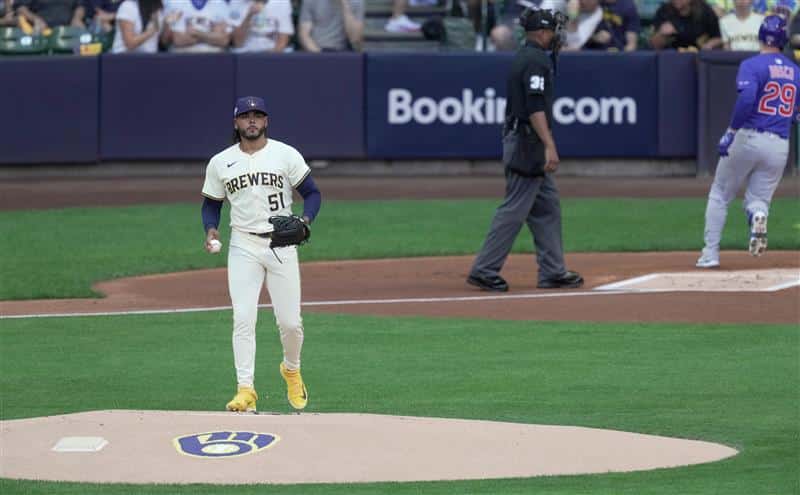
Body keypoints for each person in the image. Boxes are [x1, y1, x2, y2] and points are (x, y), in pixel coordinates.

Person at [201, 96, 322, 411]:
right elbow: (211, 203)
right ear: (236, 123)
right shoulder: (221, 161)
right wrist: (211, 229)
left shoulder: (284, 154)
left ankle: (291, 370)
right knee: (243, 317)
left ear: (266, 121)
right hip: (243, 245)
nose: (251, 120)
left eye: (257, 115)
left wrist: (305, 221)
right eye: (245, 116)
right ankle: (245, 389)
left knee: (291, 323)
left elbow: (312, 192)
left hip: (282, 243)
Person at [467, 8, 584, 292]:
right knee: (514, 208)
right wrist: (550, 145)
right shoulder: (534, 61)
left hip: (524, 138)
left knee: (547, 206)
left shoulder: (531, 57)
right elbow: (534, 107)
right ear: (542, 33)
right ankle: (484, 270)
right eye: (553, 31)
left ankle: (553, 271)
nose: (557, 36)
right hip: (526, 141)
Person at [696, 15, 799, 268]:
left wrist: (731, 131)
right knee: (759, 199)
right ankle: (758, 215)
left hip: (749, 135)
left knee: (720, 193)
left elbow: (746, 100)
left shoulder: (752, 65)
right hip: (779, 144)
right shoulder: (796, 70)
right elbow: (797, 113)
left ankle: (710, 254)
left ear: (760, 36)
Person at [161, 0, 230, 53]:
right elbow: (177, 40)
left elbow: (223, 40)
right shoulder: (174, 3)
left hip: (214, 57)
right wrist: (209, 35)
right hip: (182, 56)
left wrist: (196, 33)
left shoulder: (220, 3)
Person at [650, 0, 722, 50]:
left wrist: (709, 45)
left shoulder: (704, 10)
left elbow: (719, 38)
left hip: (699, 57)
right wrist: (661, 34)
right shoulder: (664, 11)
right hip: (671, 58)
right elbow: (654, 45)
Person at [229, 0, 294, 53]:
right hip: (245, 52)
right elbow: (238, 42)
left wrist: (263, 58)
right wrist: (249, 15)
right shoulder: (236, 2)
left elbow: (282, 42)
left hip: (273, 52)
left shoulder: (282, 2)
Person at [298, 0, 364, 52]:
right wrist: (321, 56)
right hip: (316, 50)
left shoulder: (357, 2)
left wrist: (345, 4)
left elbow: (354, 38)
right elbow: (304, 35)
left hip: (343, 51)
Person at [15, 0, 84, 31]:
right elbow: (21, 8)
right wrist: (35, 19)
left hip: (69, 29)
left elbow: (80, 6)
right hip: (41, 29)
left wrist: (77, 19)